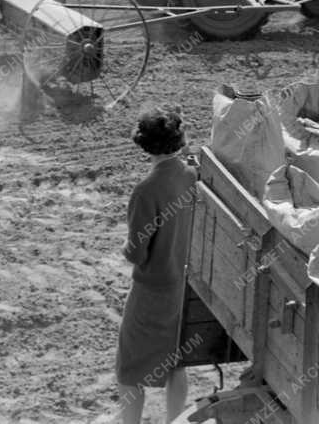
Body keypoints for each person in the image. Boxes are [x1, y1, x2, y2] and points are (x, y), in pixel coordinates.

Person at [117, 107, 197, 424]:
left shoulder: (146, 191)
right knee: (176, 361)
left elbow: (137, 253)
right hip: (185, 285)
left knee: (129, 368)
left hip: (153, 291)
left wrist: (125, 248)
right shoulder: (192, 175)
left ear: (143, 145)